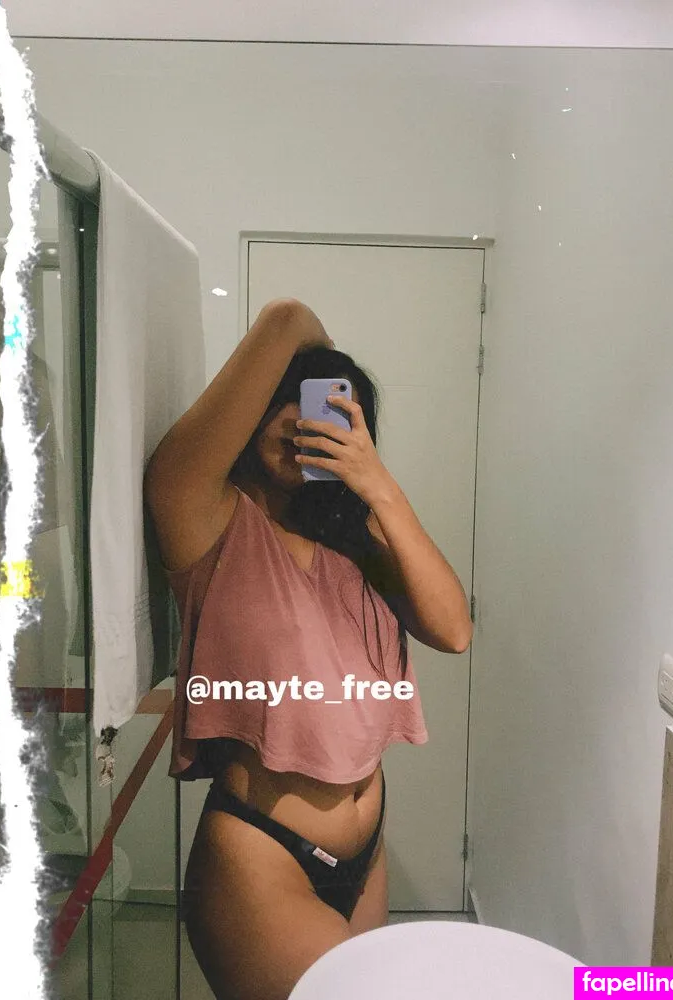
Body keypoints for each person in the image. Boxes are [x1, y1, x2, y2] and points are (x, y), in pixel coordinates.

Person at [144, 298, 473, 1000]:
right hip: (261, 854)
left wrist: (378, 486)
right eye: (288, 399)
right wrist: (322, 361)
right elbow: (288, 316)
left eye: (324, 407)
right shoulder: (205, 515)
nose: (303, 421)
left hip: (366, 851)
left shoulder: (355, 543)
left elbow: (453, 630)